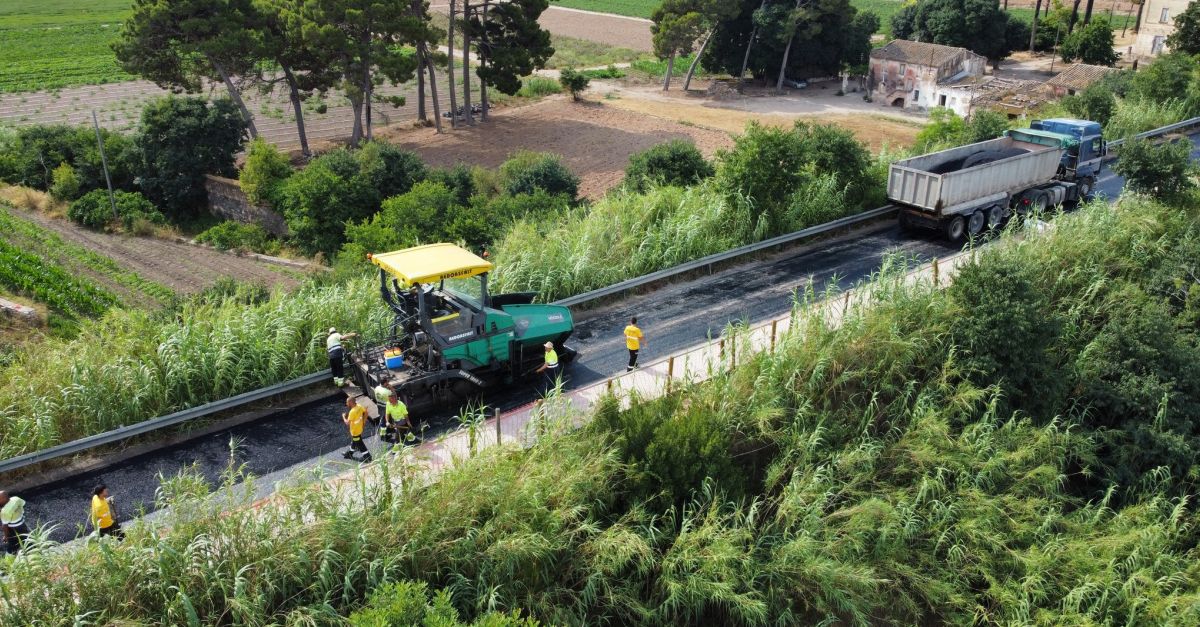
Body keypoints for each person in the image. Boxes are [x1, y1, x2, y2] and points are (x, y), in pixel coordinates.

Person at [342, 395, 372, 463]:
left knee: (360, 445)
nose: (346, 404)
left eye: (347, 402)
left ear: (350, 403)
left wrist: (343, 417)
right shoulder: (359, 406)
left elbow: (347, 423)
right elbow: (366, 412)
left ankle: (368, 457)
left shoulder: (352, 412)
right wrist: (363, 422)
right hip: (359, 428)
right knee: (354, 442)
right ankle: (349, 454)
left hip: (355, 431)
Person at [0, 491, 29, 555]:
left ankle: (9, 558)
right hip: (21, 523)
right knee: (26, 538)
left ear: (4, 499)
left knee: (13, 543)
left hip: (13, 528)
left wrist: (6, 536)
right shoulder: (16, 498)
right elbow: (23, 504)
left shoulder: (5, 512)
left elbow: (5, 525)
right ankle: (33, 551)